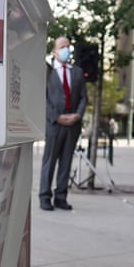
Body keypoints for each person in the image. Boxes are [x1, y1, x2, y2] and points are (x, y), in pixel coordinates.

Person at [39, 36, 88, 211]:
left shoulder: (77, 72)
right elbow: (42, 98)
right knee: (50, 161)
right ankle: (45, 197)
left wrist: (77, 115)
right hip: (54, 124)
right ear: (54, 51)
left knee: (66, 163)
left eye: (68, 46)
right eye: (62, 47)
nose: (66, 49)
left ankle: (61, 197)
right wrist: (57, 116)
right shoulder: (47, 72)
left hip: (72, 124)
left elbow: (83, 97)